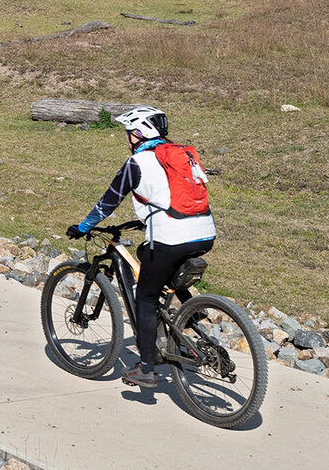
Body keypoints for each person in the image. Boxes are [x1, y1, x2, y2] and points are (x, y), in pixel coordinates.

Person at [65, 105, 216, 389]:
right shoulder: (180, 156)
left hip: (170, 236)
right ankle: (190, 309)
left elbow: (108, 202)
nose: (127, 139)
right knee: (146, 255)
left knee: (144, 299)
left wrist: (83, 227)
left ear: (138, 134)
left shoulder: (138, 163)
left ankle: (146, 368)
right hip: (204, 232)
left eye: (129, 133)